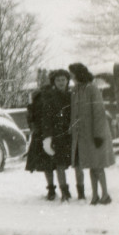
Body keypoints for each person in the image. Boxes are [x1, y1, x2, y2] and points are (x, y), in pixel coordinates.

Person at [69, 62, 114, 205]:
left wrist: (98, 135)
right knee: (90, 165)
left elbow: (99, 113)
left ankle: (105, 195)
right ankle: (95, 196)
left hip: (94, 135)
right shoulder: (75, 90)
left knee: (98, 166)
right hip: (83, 137)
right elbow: (73, 113)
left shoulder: (92, 89)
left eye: (72, 74)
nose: (71, 77)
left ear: (78, 74)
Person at [25, 69, 73, 200]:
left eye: (63, 80)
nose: (61, 82)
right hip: (45, 133)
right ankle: (53, 190)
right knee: (48, 164)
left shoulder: (69, 95)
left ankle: (61, 190)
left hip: (58, 133)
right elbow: (32, 114)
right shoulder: (41, 95)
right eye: (58, 80)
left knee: (58, 163)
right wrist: (37, 129)